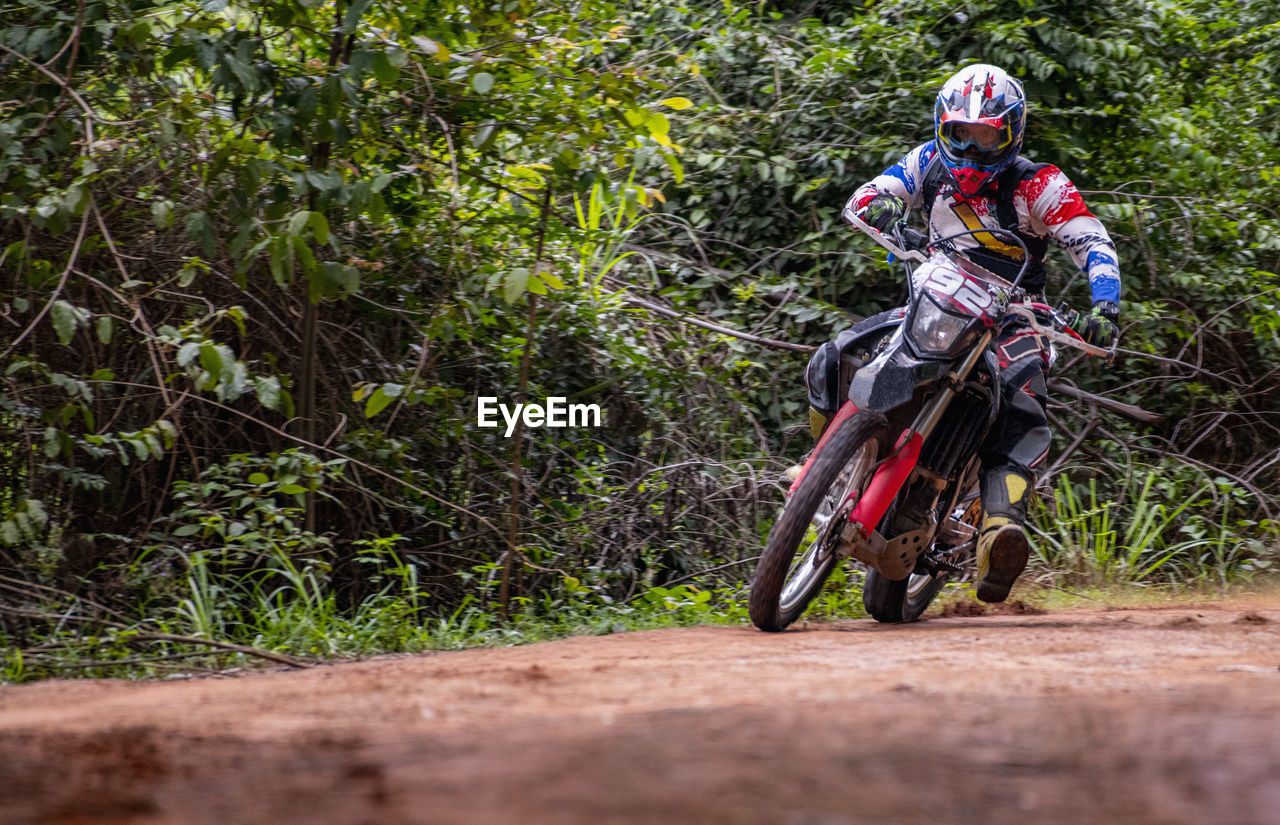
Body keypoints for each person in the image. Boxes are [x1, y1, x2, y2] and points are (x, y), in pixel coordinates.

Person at [803, 64, 1121, 603]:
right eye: (961, 136)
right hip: (937, 299)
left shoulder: (1038, 184)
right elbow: (869, 195)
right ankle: (824, 472)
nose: (972, 152)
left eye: (987, 137)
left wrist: (1104, 307)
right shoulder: (926, 163)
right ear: (942, 129)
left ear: (1012, 132)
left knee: (1022, 410)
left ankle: (1000, 530)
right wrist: (880, 210)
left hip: (1016, 317)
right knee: (835, 356)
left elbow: (1092, 240)